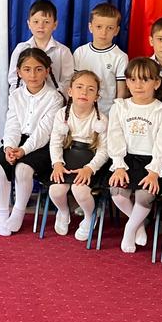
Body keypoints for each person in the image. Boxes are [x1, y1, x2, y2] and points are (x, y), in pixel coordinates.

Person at [0, 48, 61, 236]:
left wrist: (23, 151)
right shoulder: (16, 95)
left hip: (42, 145)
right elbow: (13, 124)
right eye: (27, 69)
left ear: (47, 71)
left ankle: (18, 212)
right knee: (0, 168)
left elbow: (43, 132)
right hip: (16, 142)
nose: (33, 75)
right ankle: (3, 215)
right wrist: (9, 147)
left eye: (38, 69)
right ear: (19, 72)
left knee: (22, 169)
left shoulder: (54, 98)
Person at [107, 57, 162, 254]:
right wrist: (118, 165)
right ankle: (139, 223)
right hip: (126, 160)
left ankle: (130, 229)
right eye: (133, 80)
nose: (138, 85)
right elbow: (114, 136)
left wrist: (154, 172)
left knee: (144, 195)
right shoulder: (120, 107)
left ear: (156, 83)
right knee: (117, 192)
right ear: (127, 82)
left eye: (145, 80)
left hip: (155, 163)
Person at [48, 70, 110, 241]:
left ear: (97, 97)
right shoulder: (62, 114)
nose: (84, 92)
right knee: (56, 190)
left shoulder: (101, 120)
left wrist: (89, 169)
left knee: (80, 190)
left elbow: (104, 150)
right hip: (67, 157)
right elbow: (55, 143)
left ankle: (90, 217)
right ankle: (63, 211)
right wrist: (57, 163)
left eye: (91, 89)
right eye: (79, 87)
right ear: (70, 91)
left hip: (91, 160)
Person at [6, 0, 74, 95]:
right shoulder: (20, 49)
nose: (41, 26)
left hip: (53, 100)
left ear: (55, 25)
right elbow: (14, 79)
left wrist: (52, 97)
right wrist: (19, 98)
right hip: (25, 100)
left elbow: (67, 81)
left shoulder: (63, 51)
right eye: (36, 21)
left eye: (46, 22)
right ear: (29, 24)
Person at [72, 2, 128, 114]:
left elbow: (121, 91)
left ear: (116, 31)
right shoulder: (80, 52)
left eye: (110, 28)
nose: (103, 32)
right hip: (81, 111)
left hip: (107, 112)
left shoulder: (120, 56)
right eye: (99, 27)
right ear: (90, 27)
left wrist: (116, 114)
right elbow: (73, 83)